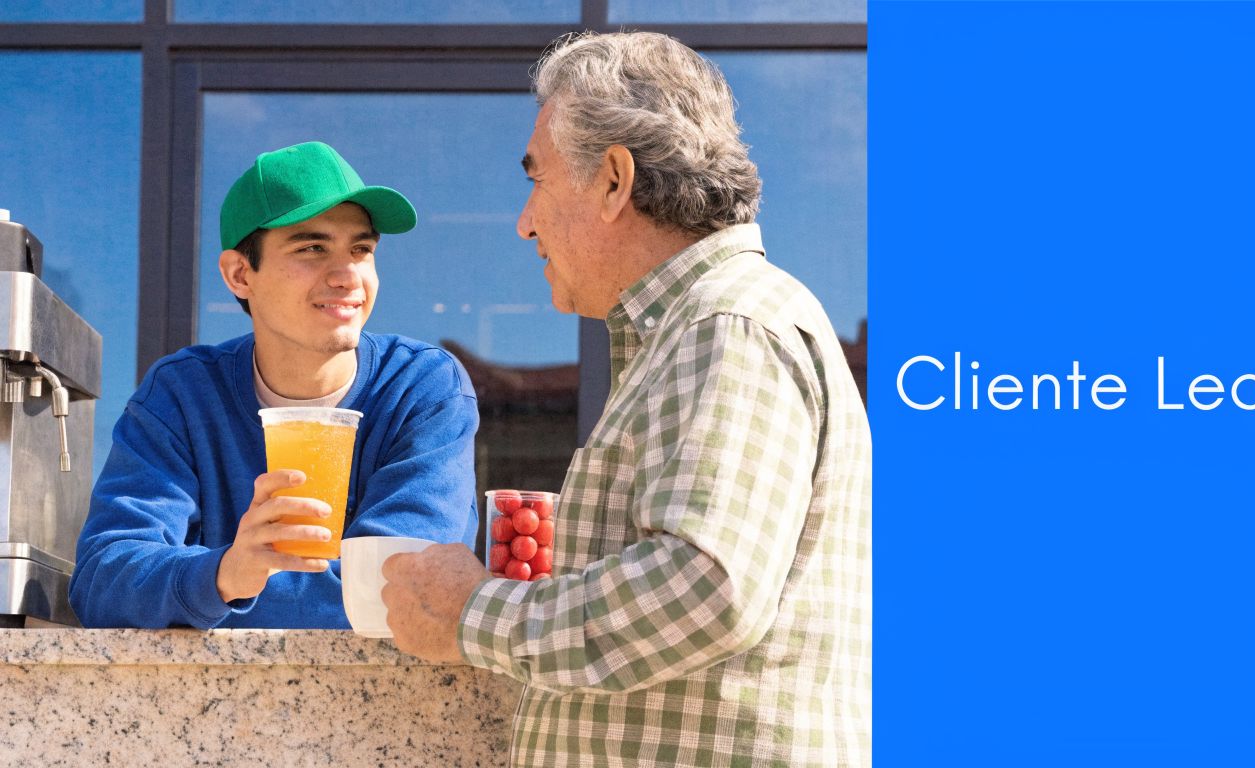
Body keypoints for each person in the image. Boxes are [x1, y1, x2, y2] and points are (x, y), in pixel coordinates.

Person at [381, 32, 872, 766]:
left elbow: (706, 586)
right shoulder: (701, 329)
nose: (524, 222)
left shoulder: (725, 325)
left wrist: (472, 612)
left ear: (614, 180)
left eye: (536, 180)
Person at [71, 141, 479, 629]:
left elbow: (403, 588)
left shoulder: (423, 388)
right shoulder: (182, 394)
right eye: (312, 248)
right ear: (241, 274)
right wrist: (227, 572)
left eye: (362, 249)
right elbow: (103, 582)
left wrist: (205, 590)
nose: (348, 275)